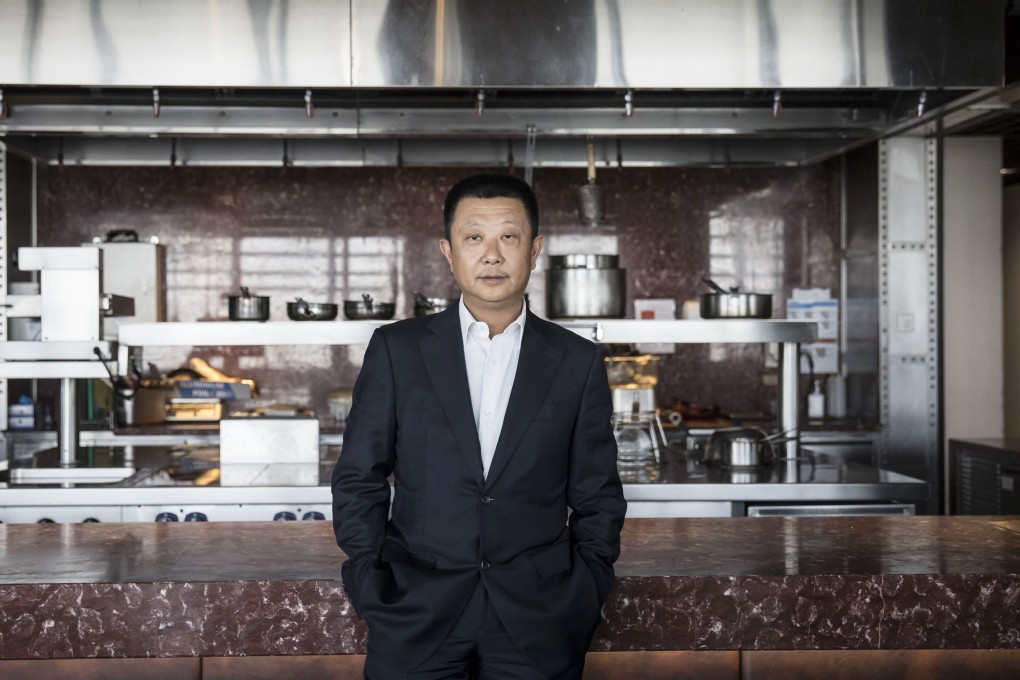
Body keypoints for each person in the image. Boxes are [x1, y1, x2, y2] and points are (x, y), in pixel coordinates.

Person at [332, 173, 626, 680]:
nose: (492, 255)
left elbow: (598, 494)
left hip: (537, 618)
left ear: (535, 249)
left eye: (508, 237)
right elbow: (360, 475)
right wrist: (368, 577)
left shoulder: (576, 360)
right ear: (449, 250)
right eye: (474, 238)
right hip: (416, 611)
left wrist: (586, 586)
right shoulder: (397, 349)